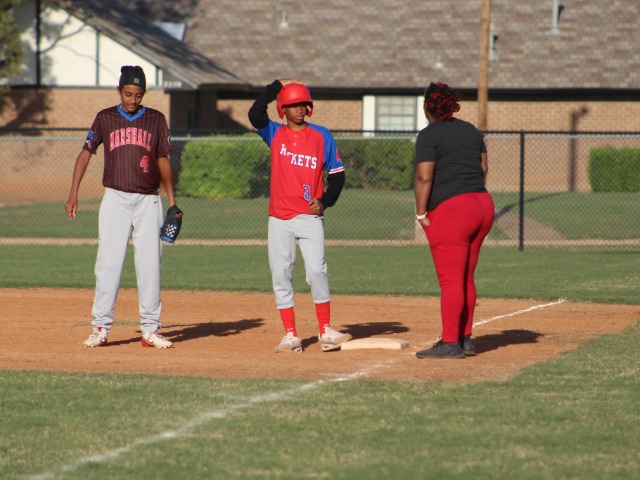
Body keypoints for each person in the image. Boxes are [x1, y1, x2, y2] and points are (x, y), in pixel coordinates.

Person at [64, 65, 178, 349]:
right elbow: (85, 153)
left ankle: (150, 329)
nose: (133, 100)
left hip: (148, 199)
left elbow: (163, 160)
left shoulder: (156, 119)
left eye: (138, 94)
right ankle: (100, 327)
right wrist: (73, 192)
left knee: (150, 263)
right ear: (119, 91)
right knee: (109, 262)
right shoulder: (105, 118)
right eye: (128, 94)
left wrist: (173, 202)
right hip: (115, 197)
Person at [248, 79, 352, 353]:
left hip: (309, 216)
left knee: (317, 270)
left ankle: (325, 330)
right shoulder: (274, 133)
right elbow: (254, 114)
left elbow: (338, 175)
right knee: (281, 273)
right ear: (282, 108)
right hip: (279, 218)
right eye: (293, 105)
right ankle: (291, 335)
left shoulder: (321, 136)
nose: (299, 109)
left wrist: (326, 201)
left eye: (303, 104)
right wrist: (275, 88)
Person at [414, 82, 494, 359]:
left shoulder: (428, 134)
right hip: (482, 204)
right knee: (465, 277)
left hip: (454, 211)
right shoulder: (471, 130)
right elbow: (483, 168)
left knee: (450, 281)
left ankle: (450, 344)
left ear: (427, 107)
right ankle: (465, 340)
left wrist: (421, 213)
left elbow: (424, 177)